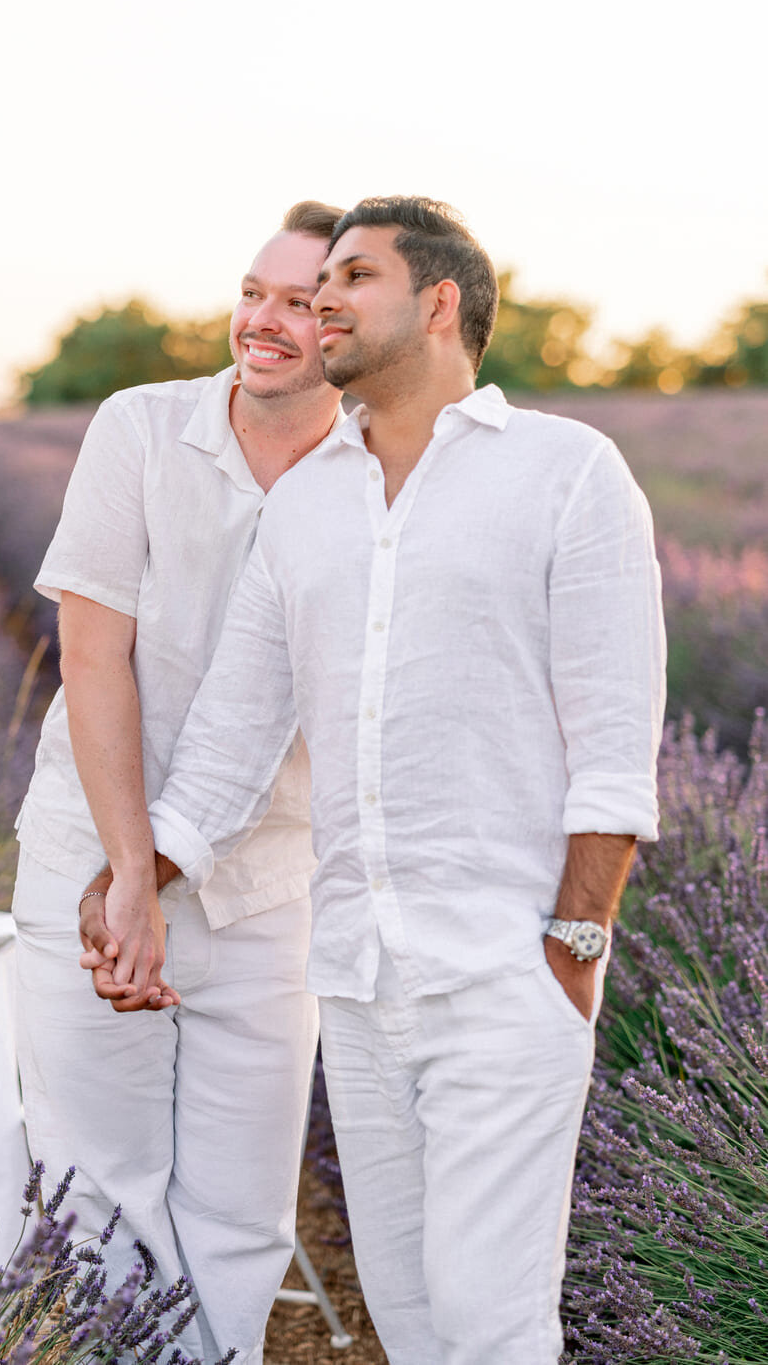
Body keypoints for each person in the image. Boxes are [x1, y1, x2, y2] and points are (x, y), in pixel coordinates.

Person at [97, 196, 666, 1364]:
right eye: (318, 285)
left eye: (353, 278)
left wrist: (574, 947)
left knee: (489, 1324)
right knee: (407, 1320)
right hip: (356, 977)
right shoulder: (305, 505)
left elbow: (617, 740)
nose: (321, 303)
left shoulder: (568, 472)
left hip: (508, 968)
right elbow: (232, 739)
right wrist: (134, 879)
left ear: (441, 301)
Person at [11, 201, 346, 1365]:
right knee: (97, 1189)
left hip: (265, 888)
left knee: (241, 1216)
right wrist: (132, 884)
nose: (262, 319)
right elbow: (95, 655)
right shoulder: (142, 429)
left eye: (302, 303)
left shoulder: (373, 475)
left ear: (354, 323)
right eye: (255, 290)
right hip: (89, 868)